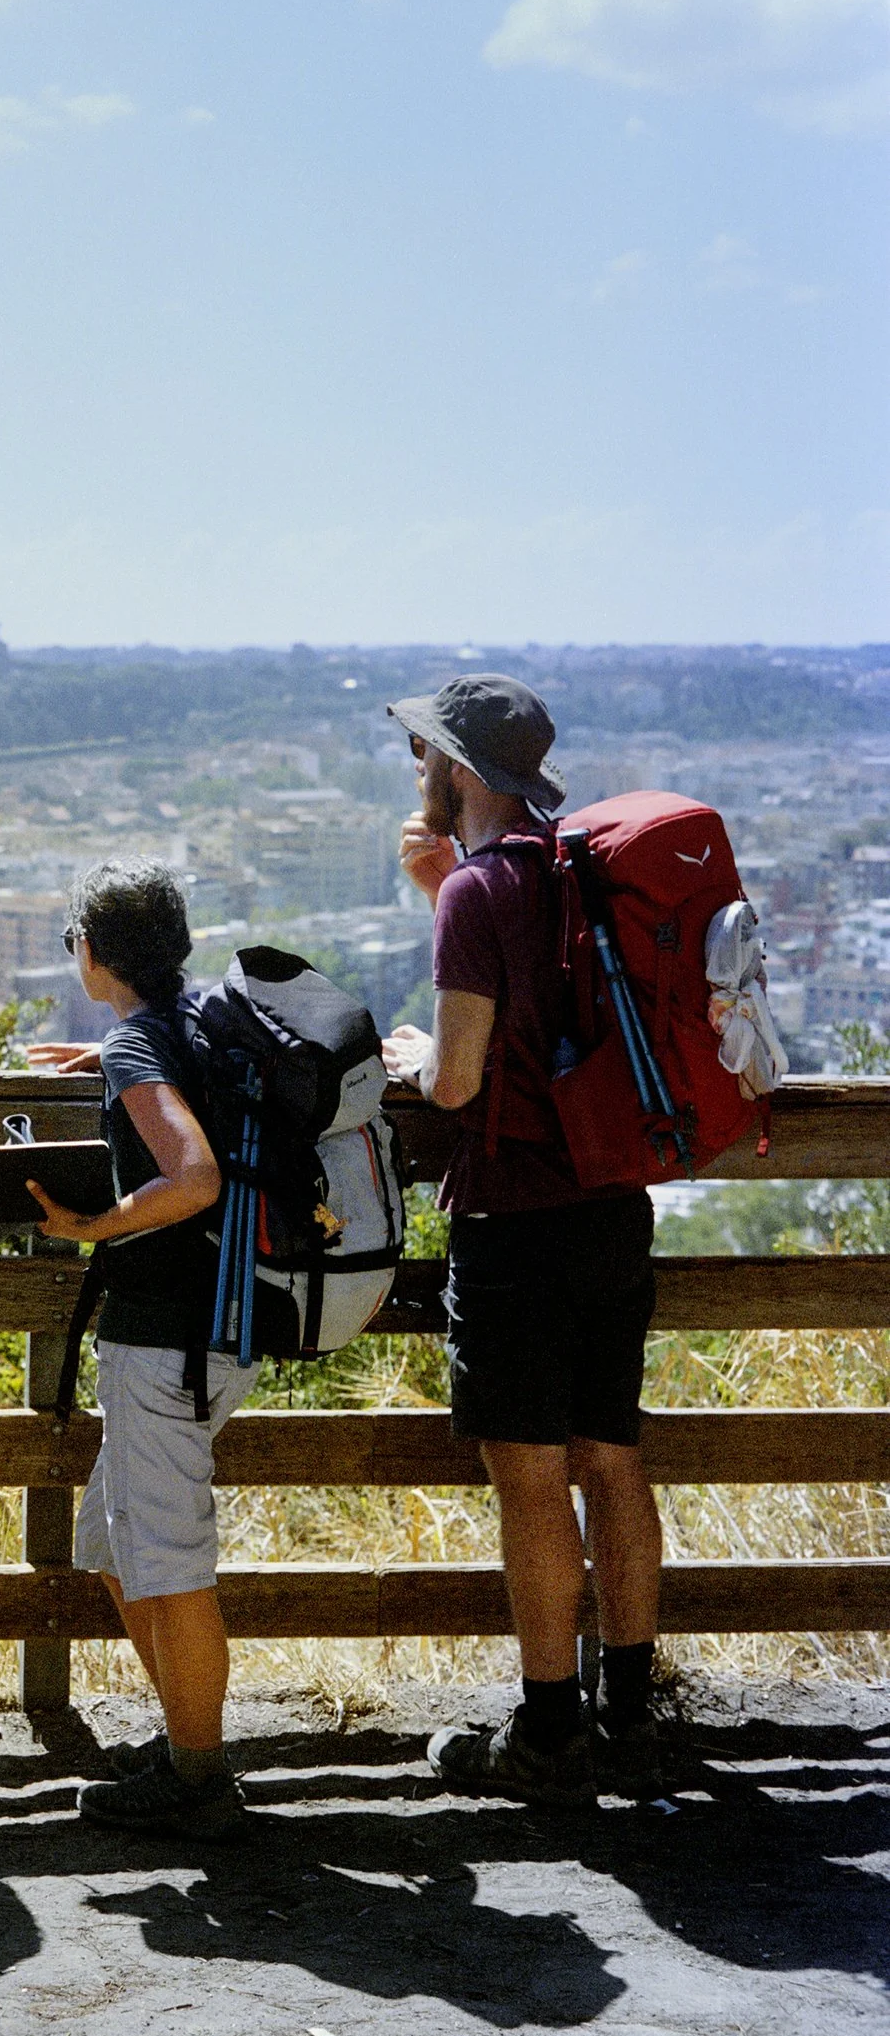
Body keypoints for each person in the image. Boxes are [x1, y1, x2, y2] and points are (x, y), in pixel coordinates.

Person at [380, 674, 669, 1806]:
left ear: (458, 771)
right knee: (612, 1455)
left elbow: (455, 1078)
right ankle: (629, 1714)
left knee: (532, 1482)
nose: (417, 778)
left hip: (515, 1215)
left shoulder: (477, 894)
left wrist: (411, 1063)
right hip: (614, 1202)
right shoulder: (581, 867)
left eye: (423, 761)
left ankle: (548, 1734)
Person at [24, 860, 248, 1842]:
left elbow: (192, 1174)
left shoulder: (138, 1050)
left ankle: (199, 1775)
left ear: (91, 948)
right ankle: (183, 1737)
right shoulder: (192, 1024)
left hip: (164, 1337)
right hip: (224, 1322)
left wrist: (93, 1226)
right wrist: (108, 1058)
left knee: (167, 1556)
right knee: (113, 1545)